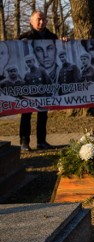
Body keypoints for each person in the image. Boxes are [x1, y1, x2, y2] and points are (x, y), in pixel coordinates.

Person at [18, 11, 58, 151]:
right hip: (28, 84)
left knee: (43, 113)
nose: (41, 22)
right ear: (31, 21)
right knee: (26, 113)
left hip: (46, 82)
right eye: (38, 19)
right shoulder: (23, 38)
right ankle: (24, 142)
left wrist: (64, 43)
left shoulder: (53, 37)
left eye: (43, 19)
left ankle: (41, 141)